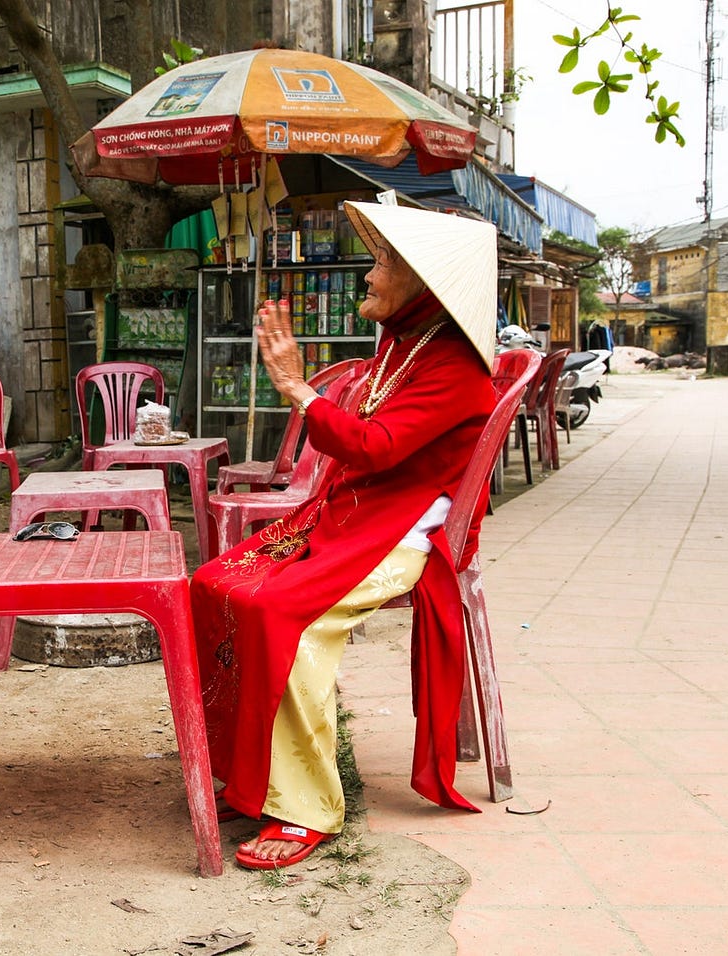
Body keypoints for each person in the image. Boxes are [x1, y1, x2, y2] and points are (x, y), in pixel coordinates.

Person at [190, 201, 500, 871]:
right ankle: (251, 776)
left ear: (423, 283)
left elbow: (374, 446)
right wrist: (303, 388)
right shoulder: (404, 339)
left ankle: (305, 807)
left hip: (402, 534)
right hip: (351, 514)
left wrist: (298, 387)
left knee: (285, 616)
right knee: (215, 582)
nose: (368, 274)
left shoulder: (454, 365)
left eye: (384, 262)